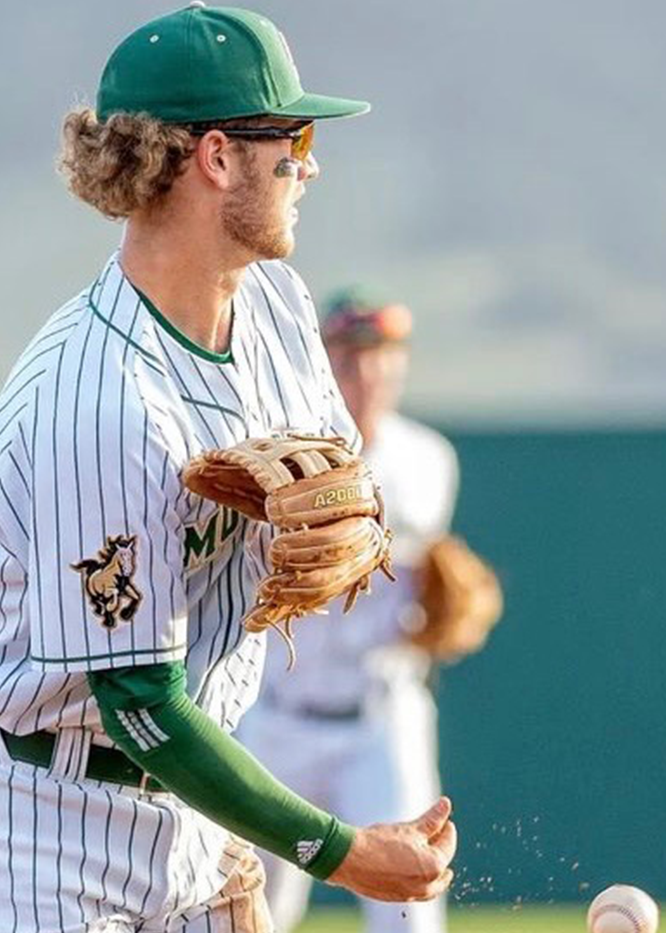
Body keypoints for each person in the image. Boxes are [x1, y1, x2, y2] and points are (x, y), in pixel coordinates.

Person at [0, 6, 457, 932]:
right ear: (217, 158)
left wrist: (352, 527)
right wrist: (341, 850)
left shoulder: (277, 306)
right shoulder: (97, 400)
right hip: (32, 821)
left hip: (185, 799)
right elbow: (139, 702)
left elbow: (338, 488)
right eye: (292, 140)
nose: (309, 166)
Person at [237, 288, 502, 933]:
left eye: (382, 354)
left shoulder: (427, 459)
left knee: (409, 905)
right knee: (246, 911)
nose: (367, 371)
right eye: (349, 354)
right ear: (322, 361)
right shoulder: (285, 453)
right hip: (277, 718)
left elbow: (428, 577)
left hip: (380, 720)